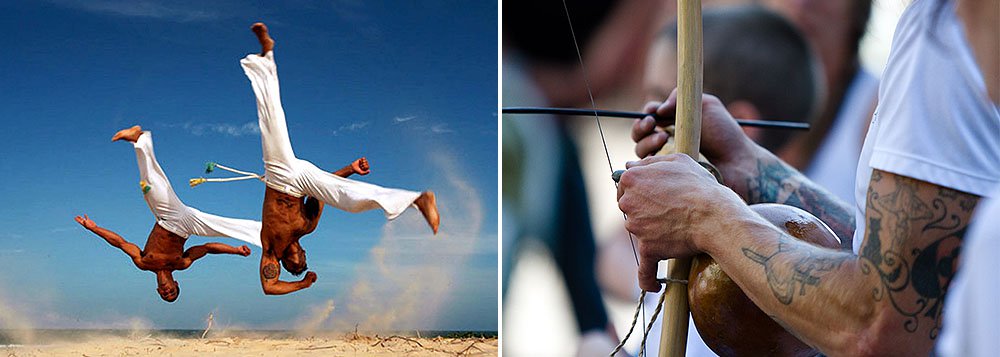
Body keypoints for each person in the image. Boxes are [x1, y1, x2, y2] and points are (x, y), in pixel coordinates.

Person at [621, 0, 999, 354]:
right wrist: (754, 170)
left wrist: (702, 214)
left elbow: (882, 325)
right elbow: (922, 273)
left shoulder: (937, 34)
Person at [600, 7, 822, 355]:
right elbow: (608, 254)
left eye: (666, 107)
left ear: (740, 124)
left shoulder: (744, 288)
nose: (646, 120)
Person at [242, 23, 440, 295]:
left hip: (279, 178)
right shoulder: (307, 226)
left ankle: (266, 56)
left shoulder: (270, 249)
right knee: (347, 200)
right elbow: (328, 190)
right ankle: (417, 199)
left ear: (285, 261)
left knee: (271, 120)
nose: (297, 251)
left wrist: (300, 284)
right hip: (302, 180)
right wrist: (351, 169)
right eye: (301, 255)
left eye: (295, 256)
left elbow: (269, 286)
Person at [74, 126, 263, 302]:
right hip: (188, 225)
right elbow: (207, 248)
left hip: (167, 218)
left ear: (158, 291)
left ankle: (138, 139)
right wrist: (236, 251)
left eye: (165, 294)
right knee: (227, 228)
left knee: (150, 187)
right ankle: (268, 234)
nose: (167, 290)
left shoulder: (144, 263)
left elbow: (120, 243)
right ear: (176, 284)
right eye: (172, 291)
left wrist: (94, 228)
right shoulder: (181, 263)